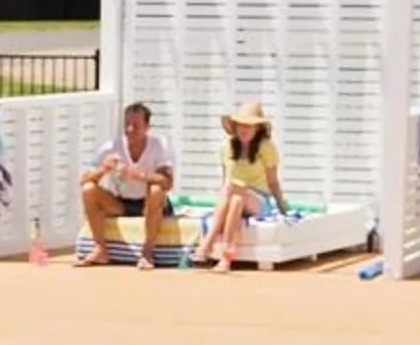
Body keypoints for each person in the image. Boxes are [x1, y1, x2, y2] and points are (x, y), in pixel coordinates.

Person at [76, 101, 175, 270]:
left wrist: (138, 176)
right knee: (88, 189)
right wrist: (103, 169)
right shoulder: (111, 147)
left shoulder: (159, 145)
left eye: (136, 125)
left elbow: (168, 182)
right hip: (122, 203)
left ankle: (147, 251)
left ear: (147, 127)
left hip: (149, 202)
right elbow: (83, 179)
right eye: (127, 124)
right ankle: (100, 249)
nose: (130, 129)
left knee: (156, 189)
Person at [195, 102, 287, 275]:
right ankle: (226, 258)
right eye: (241, 125)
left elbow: (273, 181)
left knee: (234, 191)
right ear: (235, 127)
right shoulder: (227, 147)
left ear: (257, 128)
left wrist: (282, 205)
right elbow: (225, 180)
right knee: (235, 198)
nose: (244, 129)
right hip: (234, 196)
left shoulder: (266, 147)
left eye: (249, 125)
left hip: (258, 200)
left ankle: (207, 243)